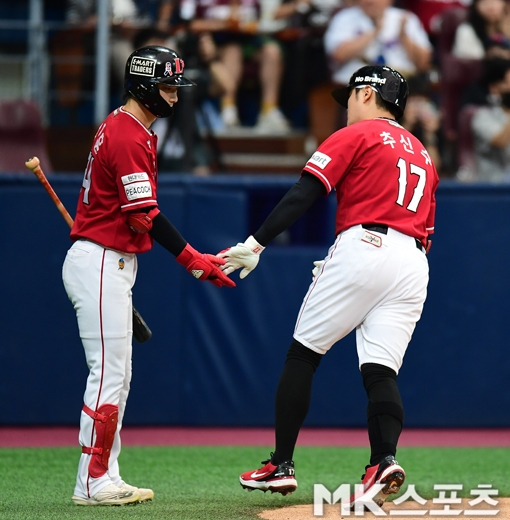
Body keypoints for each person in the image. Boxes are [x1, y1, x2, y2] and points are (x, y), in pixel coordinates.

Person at [219, 65, 438, 511]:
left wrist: (255, 243)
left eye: (350, 96)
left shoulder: (358, 133)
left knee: (304, 354)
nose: (346, 107)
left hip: (364, 243)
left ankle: (281, 464)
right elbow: (424, 229)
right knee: (380, 370)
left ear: (366, 94)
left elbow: (305, 192)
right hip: (413, 261)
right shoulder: (422, 152)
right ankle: (383, 461)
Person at [63, 45, 235, 507]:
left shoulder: (129, 128)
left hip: (109, 262)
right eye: (166, 87)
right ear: (143, 85)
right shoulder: (127, 134)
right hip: (101, 259)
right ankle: (92, 481)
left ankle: (103, 475)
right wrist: (192, 257)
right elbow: (144, 216)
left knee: (118, 378)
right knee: (108, 376)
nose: (175, 97)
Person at [184, 0, 291, 133]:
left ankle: (269, 110)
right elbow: (192, 24)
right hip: (216, 44)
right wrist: (225, 24)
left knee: (272, 52)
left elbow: (258, 22)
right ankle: (228, 109)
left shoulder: (251, 2)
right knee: (233, 52)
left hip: (247, 42)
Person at [323, 0, 433, 87]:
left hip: (402, 84)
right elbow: (339, 55)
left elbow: (423, 63)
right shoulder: (344, 18)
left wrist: (404, 37)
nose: (370, 1)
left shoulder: (405, 18)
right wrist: (374, 33)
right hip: (358, 84)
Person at [469, 57, 510, 181]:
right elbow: (500, 142)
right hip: (492, 188)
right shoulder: (482, 116)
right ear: (494, 87)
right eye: (508, 83)